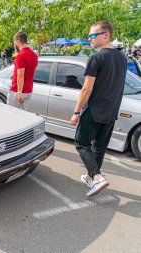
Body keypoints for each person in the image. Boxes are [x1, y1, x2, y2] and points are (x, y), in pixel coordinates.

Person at [70, 21, 127, 197]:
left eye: (93, 35)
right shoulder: (122, 57)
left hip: (95, 110)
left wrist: (77, 112)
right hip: (111, 111)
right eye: (89, 35)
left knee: (81, 143)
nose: (90, 39)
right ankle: (92, 178)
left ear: (106, 35)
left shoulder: (96, 57)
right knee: (99, 147)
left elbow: (87, 88)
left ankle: (96, 177)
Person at [7, 32, 38, 110]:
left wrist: (19, 92)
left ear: (17, 41)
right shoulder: (34, 55)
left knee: (11, 116)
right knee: (23, 117)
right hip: (28, 90)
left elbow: (20, 75)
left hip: (18, 91)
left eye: (14, 42)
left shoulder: (20, 56)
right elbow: (33, 73)